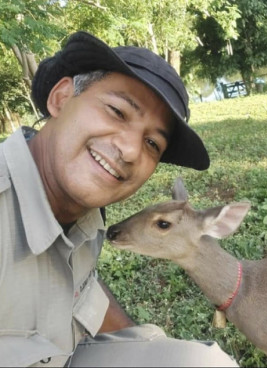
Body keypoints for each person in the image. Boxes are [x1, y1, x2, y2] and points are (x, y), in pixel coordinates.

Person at [0, 31, 238, 367]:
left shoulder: (86, 213)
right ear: (62, 98)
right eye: (117, 111)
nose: (129, 150)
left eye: (152, 143)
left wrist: (146, 355)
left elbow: (81, 288)